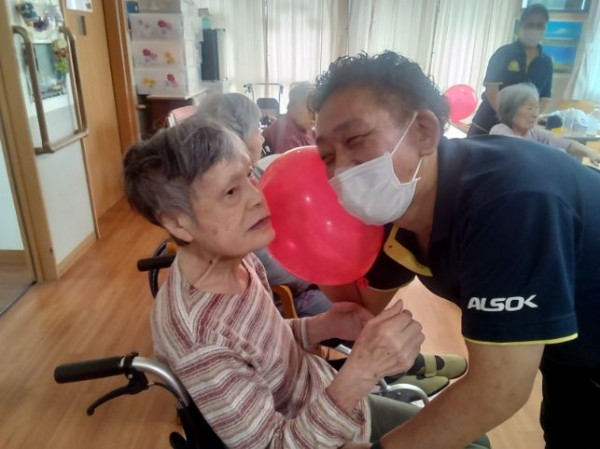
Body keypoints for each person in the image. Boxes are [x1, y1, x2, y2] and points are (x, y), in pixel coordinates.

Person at [312, 50, 600, 449]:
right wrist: (315, 244)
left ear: (424, 131)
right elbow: (359, 310)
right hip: (571, 357)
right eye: (327, 156)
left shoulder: (510, 200)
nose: (342, 169)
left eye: (356, 139)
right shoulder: (400, 210)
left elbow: (497, 388)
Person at [122, 117, 432, 449]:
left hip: (329, 397)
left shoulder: (238, 260)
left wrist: (323, 326)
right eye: (231, 192)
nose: (258, 196)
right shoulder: (199, 339)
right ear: (178, 223)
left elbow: (262, 349)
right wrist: (359, 374)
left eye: (249, 175)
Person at [196, 92, 470, 394]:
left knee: (360, 311)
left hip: (306, 347)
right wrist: (358, 374)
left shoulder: (250, 204)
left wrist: (323, 316)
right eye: (233, 191)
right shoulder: (205, 322)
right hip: (298, 293)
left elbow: (266, 338)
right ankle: (392, 375)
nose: (262, 135)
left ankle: (399, 367)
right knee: (361, 311)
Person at [467, 3, 552, 136]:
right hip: (487, 123)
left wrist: (529, 118)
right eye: (530, 25)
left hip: (518, 131)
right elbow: (491, 90)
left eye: (540, 26)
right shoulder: (503, 53)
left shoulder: (546, 62)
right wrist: (509, 118)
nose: (535, 30)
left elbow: (544, 97)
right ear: (521, 26)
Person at [489, 82, 600, 164]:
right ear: (510, 111)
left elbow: (566, 144)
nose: (535, 114)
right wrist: (559, 153)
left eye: (537, 107)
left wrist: (590, 152)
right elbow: (519, 146)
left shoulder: (534, 132)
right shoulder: (499, 130)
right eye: (529, 108)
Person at [263, 81, 316, 153]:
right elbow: (293, 159)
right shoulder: (285, 128)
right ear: (292, 105)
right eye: (311, 109)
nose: (315, 116)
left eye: (318, 110)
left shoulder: (310, 131)